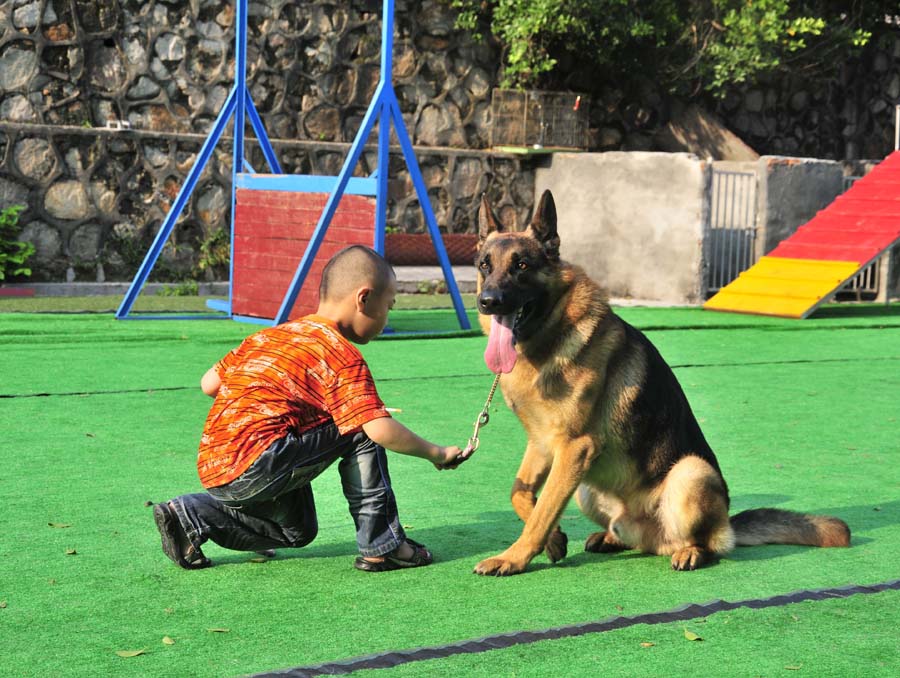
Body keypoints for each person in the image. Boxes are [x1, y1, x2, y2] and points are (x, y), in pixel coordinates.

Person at [153, 245, 466, 572]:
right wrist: (437, 453)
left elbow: (209, 384)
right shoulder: (341, 355)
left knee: (297, 531)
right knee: (359, 426)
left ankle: (189, 514)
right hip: (260, 461)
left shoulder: (267, 336)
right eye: (388, 306)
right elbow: (376, 428)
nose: (387, 318)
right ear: (364, 298)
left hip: (215, 468)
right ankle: (383, 546)